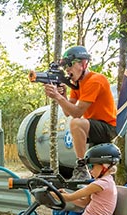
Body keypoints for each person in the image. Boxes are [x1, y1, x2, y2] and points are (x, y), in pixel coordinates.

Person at [43, 45, 117, 181]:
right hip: (93, 128)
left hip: (107, 127)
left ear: (83, 64)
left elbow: (77, 113)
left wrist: (57, 97)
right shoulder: (78, 84)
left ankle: (81, 167)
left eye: (70, 65)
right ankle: (87, 174)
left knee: (76, 123)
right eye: (65, 67)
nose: (68, 70)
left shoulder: (95, 80)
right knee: (99, 173)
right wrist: (63, 96)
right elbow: (67, 112)